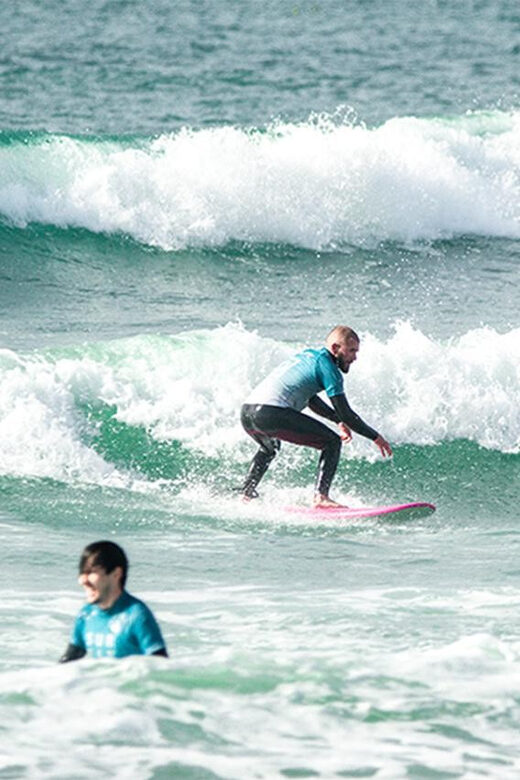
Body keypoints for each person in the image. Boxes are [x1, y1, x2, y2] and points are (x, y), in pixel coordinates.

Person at [239, 325, 392, 507]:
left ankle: (246, 492)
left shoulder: (308, 356)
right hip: (271, 412)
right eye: (351, 351)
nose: (355, 357)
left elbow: (311, 399)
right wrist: (376, 437)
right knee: (332, 442)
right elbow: (347, 414)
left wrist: (337, 420)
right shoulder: (328, 367)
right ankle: (321, 497)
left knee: (269, 447)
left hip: (248, 413)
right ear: (335, 349)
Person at [60, 540, 168, 662]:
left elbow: (160, 666)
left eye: (91, 572)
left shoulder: (136, 615)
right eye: (82, 573)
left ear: (116, 574)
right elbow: (68, 661)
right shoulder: (86, 615)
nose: (82, 580)